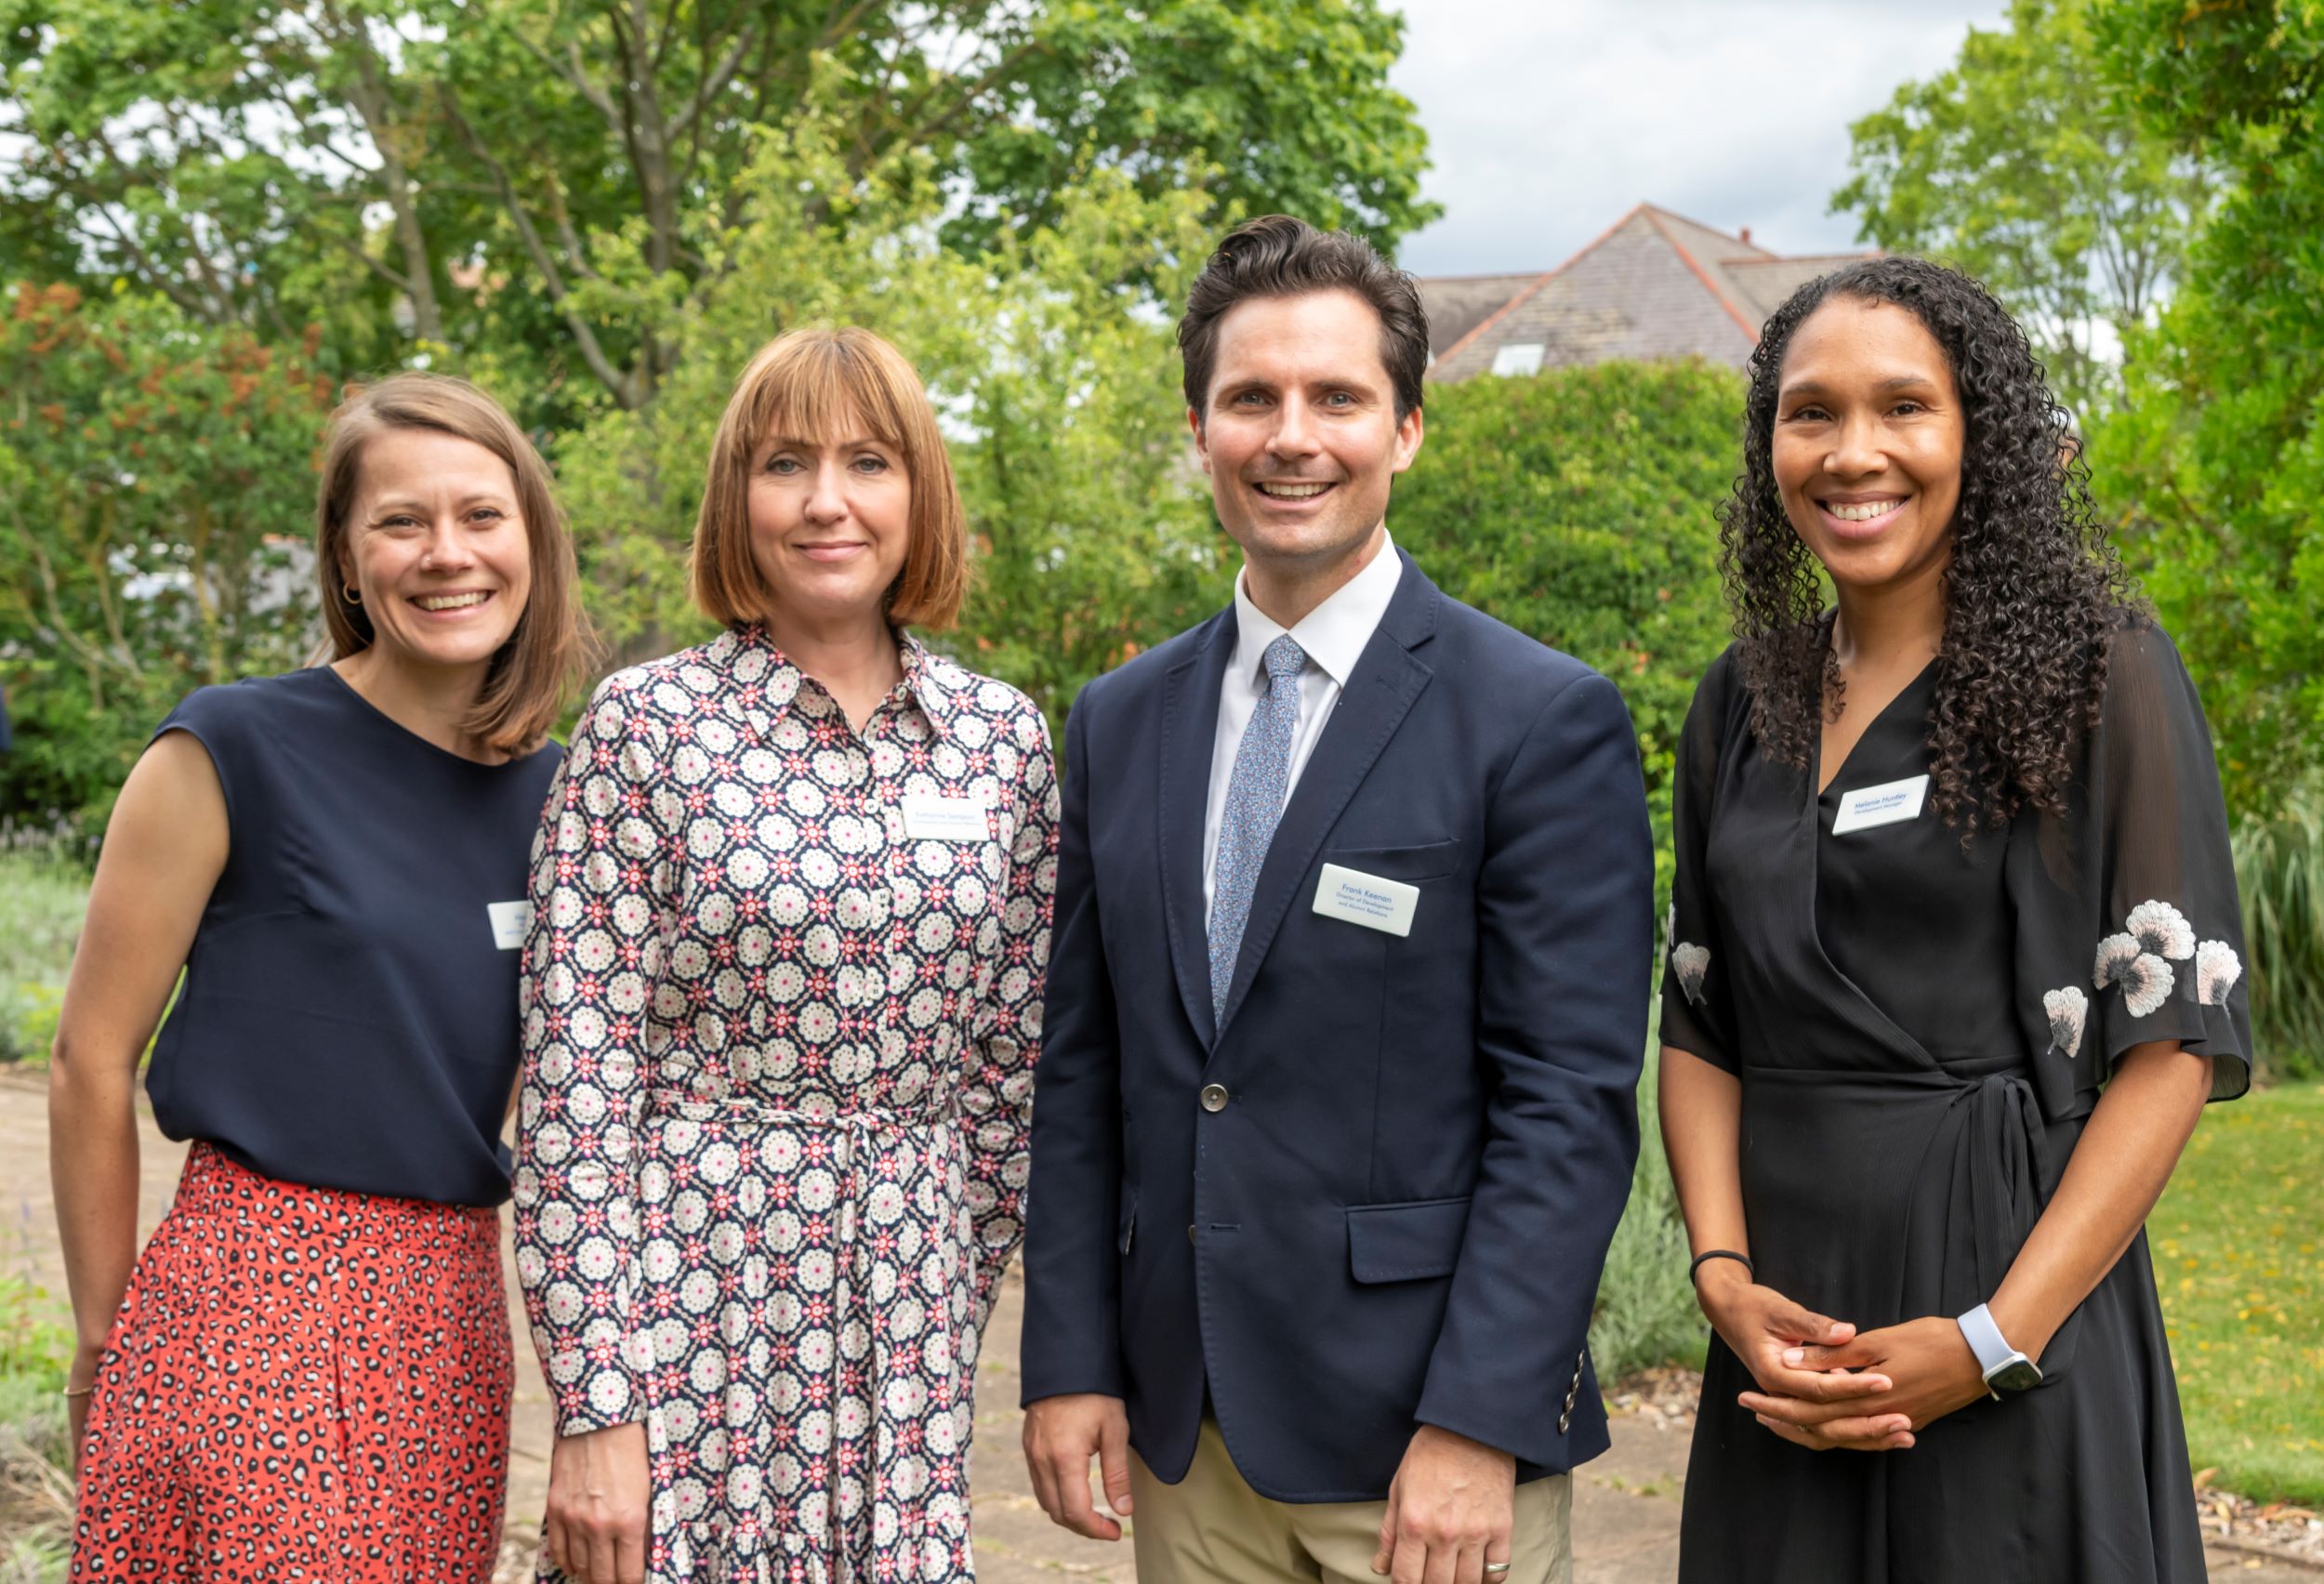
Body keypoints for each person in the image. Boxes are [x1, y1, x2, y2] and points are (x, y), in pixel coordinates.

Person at [1018, 215, 1654, 1584]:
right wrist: (1067, 1361)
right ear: (1201, 431)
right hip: (1190, 1448)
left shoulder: (1540, 719)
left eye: (1337, 398)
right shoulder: (1121, 719)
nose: (1290, 435)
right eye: (1251, 398)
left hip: (1421, 1449)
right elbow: (1084, 1071)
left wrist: (1480, 1422)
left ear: (1407, 429)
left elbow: (1569, 1107)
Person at [1657, 256, 2251, 1582]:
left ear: (1978, 435)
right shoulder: (1737, 703)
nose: (1853, 452)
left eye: (1904, 408)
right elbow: (1698, 1021)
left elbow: (2169, 1048)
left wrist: (1990, 1342)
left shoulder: (2103, 669)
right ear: (1770, 448)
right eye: (1810, 412)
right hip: (1782, 1338)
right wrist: (1723, 1278)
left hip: (2006, 1307)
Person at [512, 326, 1058, 1584]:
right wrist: (598, 1406)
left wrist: (940, 1291)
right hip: (685, 1289)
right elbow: (574, 1085)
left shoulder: (1000, 742)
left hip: (909, 1302)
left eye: (869, 462)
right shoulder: (648, 726)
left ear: (919, 493)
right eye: (785, 465)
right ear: (734, 501)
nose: (827, 502)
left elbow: (1008, 1065)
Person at [52, 372, 588, 1580]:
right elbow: (88, 1056)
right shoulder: (236, 746)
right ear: (347, 561)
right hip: (257, 1304)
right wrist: (102, 1340)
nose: (446, 554)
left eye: (480, 516)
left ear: (531, 543)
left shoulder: (567, 796)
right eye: (401, 521)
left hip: (452, 1318)